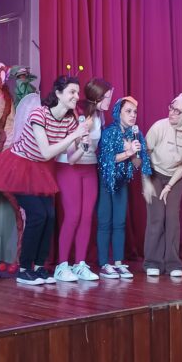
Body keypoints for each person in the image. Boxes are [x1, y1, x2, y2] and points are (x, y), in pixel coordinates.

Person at [0, 75, 91, 285]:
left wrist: (83, 146)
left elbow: (71, 158)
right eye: (72, 92)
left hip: (41, 170)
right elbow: (45, 152)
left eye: (77, 92)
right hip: (20, 167)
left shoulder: (70, 120)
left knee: (50, 216)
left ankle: (40, 267)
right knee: (38, 215)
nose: (76, 96)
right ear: (58, 93)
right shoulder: (39, 114)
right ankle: (24, 269)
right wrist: (74, 135)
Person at [55, 78, 113, 282]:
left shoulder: (100, 115)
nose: (110, 100)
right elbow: (71, 155)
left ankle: (80, 264)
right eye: (108, 97)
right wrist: (81, 138)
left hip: (89, 167)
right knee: (73, 215)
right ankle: (62, 265)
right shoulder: (78, 114)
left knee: (87, 216)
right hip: (69, 167)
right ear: (98, 97)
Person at [142, 92, 182, 279]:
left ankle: (173, 263)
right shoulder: (159, 127)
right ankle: (152, 262)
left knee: (172, 218)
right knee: (157, 217)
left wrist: (169, 186)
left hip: (175, 178)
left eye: (178, 111)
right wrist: (146, 182)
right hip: (154, 173)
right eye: (171, 107)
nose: (172, 113)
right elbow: (144, 154)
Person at [97, 96, 151, 279]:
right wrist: (127, 151)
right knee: (105, 222)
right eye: (128, 111)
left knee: (120, 222)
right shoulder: (109, 133)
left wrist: (135, 152)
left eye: (135, 112)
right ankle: (104, 264)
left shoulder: (135, 134)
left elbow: (137, 164)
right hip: (106, 181)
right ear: (118, 113)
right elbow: (106, 161)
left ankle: (119, 263)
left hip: (121, 182)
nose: (133, 115)